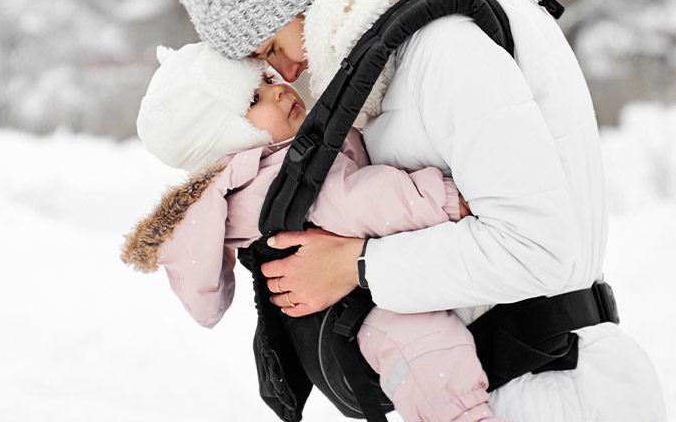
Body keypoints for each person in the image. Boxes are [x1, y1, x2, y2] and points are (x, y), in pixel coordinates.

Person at [137, 0, 665, 422]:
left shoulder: (444, 46)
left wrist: (356, 265)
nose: (287, 73)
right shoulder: (398, 51)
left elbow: (537, 246)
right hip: (516, 388)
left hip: (552, 392)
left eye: (270, 49)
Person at [122, 42, 509, 422]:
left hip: (340, 327)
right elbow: (357, 201)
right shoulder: (274, 180)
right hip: (350, 331)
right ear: (226, 140)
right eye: (253, 101)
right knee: (429, 345)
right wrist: (441, 198)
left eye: (268, 79)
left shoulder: (273, 166)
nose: (277, 90)